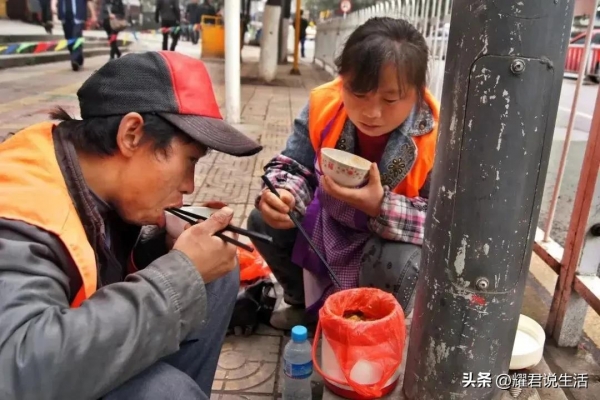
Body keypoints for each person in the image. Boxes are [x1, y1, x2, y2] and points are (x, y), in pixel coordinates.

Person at [0, 51, 263, 400]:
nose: (190, 185)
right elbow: (18, 369)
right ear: (132, 134)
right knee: (165, 392)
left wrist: (161, 248)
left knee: (215, 274)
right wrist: (176, 276)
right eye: (189, 161)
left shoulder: (89, 170)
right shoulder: (21, 213)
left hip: (73, 359)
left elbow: (98, 271)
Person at [248, 17, 439, 330]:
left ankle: (367, 329)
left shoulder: (434, 135)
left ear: (417, 93)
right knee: (263, 222)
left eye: (390, 99)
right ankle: (304, 306)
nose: (371, 113)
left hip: (384, 240)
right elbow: (295, 164)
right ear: (343, 80)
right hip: (328, 223)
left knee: (402, 262)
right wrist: (284, 193)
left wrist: (381, 206)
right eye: (359, 93)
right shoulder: (326, 104)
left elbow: (441, 224)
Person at [56, 0, 97, 71]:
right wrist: (53, 6)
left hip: (78, 16)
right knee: (69, 40)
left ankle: (75, 60)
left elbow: (89, 1)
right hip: (65, 17)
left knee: (76, 37)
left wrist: (93, 15)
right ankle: (79, 59)